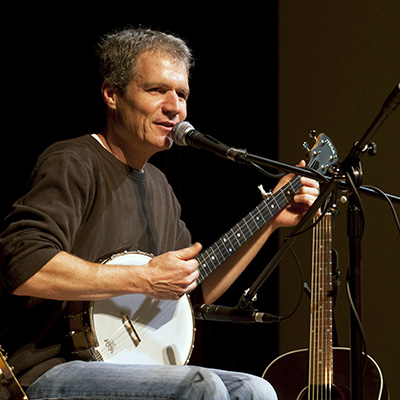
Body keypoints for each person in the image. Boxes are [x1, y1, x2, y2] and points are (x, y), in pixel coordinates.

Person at [0, 28, 319, 400]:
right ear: (112, 95)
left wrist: (270, 220)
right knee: (202, 388)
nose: (175, 107)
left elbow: (193, 290)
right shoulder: (72, 162)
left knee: (256, 390)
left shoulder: (159, 187)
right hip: (49, 370)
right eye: (156, 90)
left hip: (128, 368)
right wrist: (143, 279)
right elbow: (24, 267)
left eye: (182, 94)